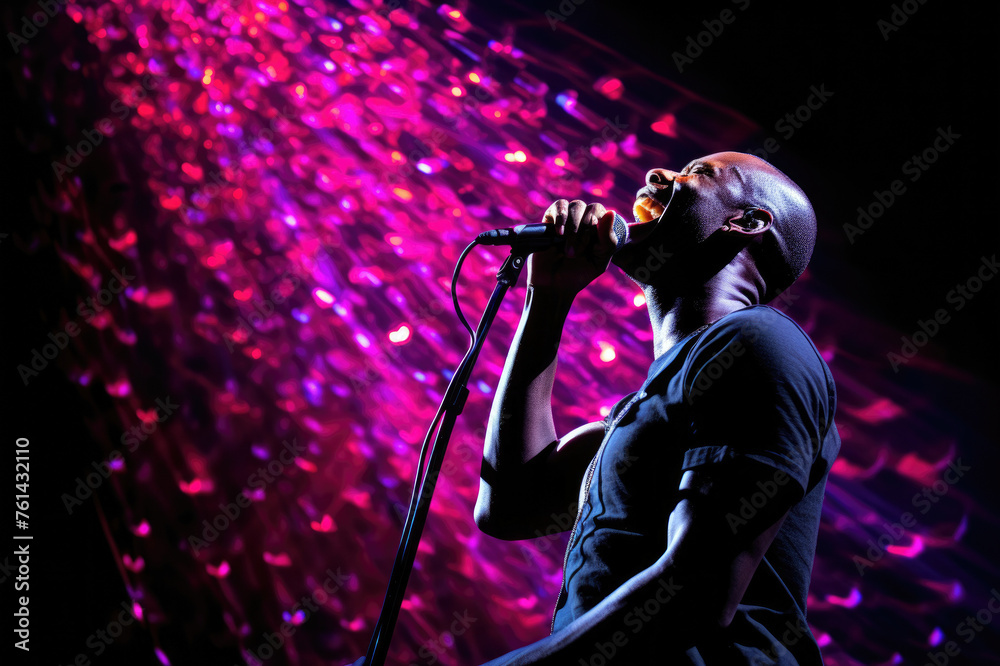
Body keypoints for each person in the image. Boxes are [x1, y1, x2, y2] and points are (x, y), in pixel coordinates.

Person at [474, 152, 840, 664]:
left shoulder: (759, 342)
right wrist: (548, 300)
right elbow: (509, 507)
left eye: (698, 173)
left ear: (748, 222)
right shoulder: (638, 418)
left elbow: (697, 589)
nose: (654, 175)